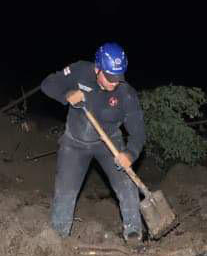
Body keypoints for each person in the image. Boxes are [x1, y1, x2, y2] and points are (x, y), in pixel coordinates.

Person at [41, 42, 146, 240]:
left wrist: (130, 153)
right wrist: (67, 94)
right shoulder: (80, 70)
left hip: (108, 145)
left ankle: (133, 236)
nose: (114, 82)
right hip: (75, 143)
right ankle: (58, 238)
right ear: (97, 68)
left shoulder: (126, 93)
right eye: (109, 77)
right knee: (65, 192)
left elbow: (138, 132)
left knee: (127, 186)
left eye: (118, 77)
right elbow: (47, 84)